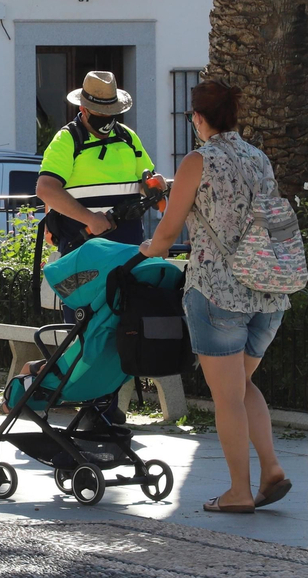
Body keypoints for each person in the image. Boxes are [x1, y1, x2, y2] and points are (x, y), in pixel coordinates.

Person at [140, 80, 291, 514]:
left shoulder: (197, 161)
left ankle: (239, 492)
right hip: (268, 293)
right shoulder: (258, 158)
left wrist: (148, 249)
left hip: (217, 293)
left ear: (199, 119)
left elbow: (167, 234)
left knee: (227, 397)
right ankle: (272, 470)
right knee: (242, 386)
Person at [36, 71, 157, 257]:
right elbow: (46, 189)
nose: (106, 118)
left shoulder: (127, 137)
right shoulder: (67, 140)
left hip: (129, 249)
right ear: (83, 109)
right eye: (100, 112)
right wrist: (90, 219)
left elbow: (146, 181)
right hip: (82, 249)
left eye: (111, 112)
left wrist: (156, 185)